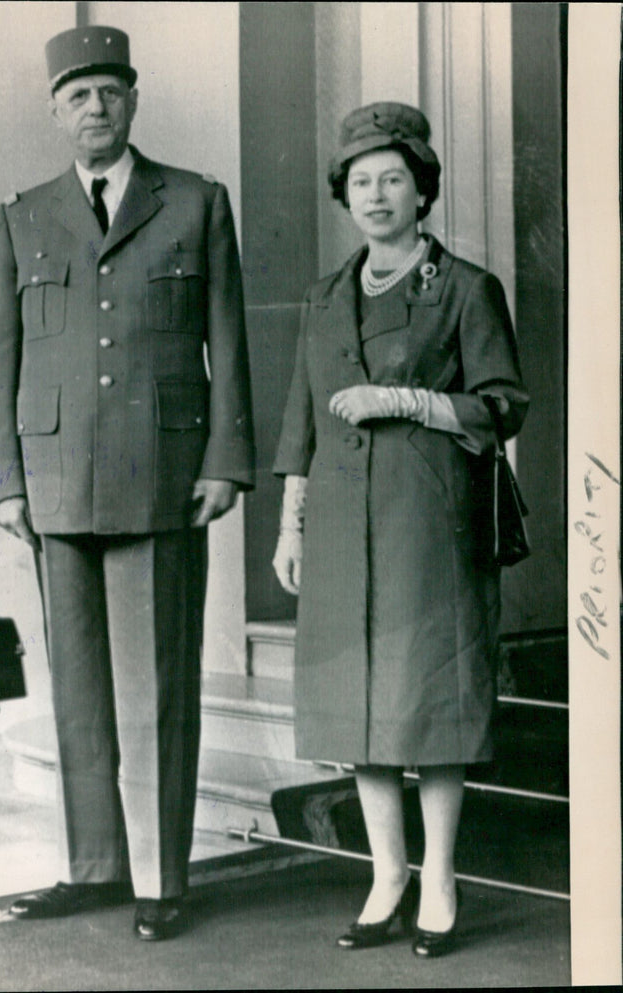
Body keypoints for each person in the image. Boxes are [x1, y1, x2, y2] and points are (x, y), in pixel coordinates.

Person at [0, 26, 254, 941]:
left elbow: (229, 340)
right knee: (79, 691)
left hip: (166, 476)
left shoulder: (197, 202)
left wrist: (225, 460)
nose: (94, 108)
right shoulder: (21, 215)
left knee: (157, 688)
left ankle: (160, 876)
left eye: (109, 92)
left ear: (132, 102)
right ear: (56, 113)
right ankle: (95, 865)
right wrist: (4, 483)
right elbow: (3, 366)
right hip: (55, 483)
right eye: (76, 96)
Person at [272, 102, 528, 958]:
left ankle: (441, 880)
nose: (376, 194)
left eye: (393, 179)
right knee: (357, 709)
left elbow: (501, 406)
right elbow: (299, 419)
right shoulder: (323, 295)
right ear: (343, 197)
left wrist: (407, 400)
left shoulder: (466, 289)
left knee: (429, 705)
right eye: (360, 182)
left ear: (423, 191)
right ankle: (386, 877)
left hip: (431, 521)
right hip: (342, 524)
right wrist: (291, 524)